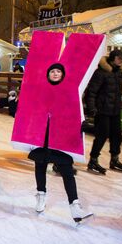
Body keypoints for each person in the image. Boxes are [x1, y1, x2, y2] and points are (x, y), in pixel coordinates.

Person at [29, 64, 93, 223]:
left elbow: (75, 112)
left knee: (67, 170)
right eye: (52, 71)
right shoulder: (41, 90)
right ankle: (40, 196)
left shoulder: (69, 91)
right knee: (40, 166)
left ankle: (75, 207)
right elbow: (32, 109)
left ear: (63, 74)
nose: (55, 73)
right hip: (43, 135)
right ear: (48, 74)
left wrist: (82, 124)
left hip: (61, 138)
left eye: (58, 71)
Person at [85, 49, 122, 174]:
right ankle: (93, 160)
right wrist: (92, 108)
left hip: (115, 110)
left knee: (117, 135)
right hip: (102, 111)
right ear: (113, 58)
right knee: (102, 135)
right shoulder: (100, 72)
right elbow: (91, 92)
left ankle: (114, 160)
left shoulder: (119, 73)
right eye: (119, 58)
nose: (121, 60)